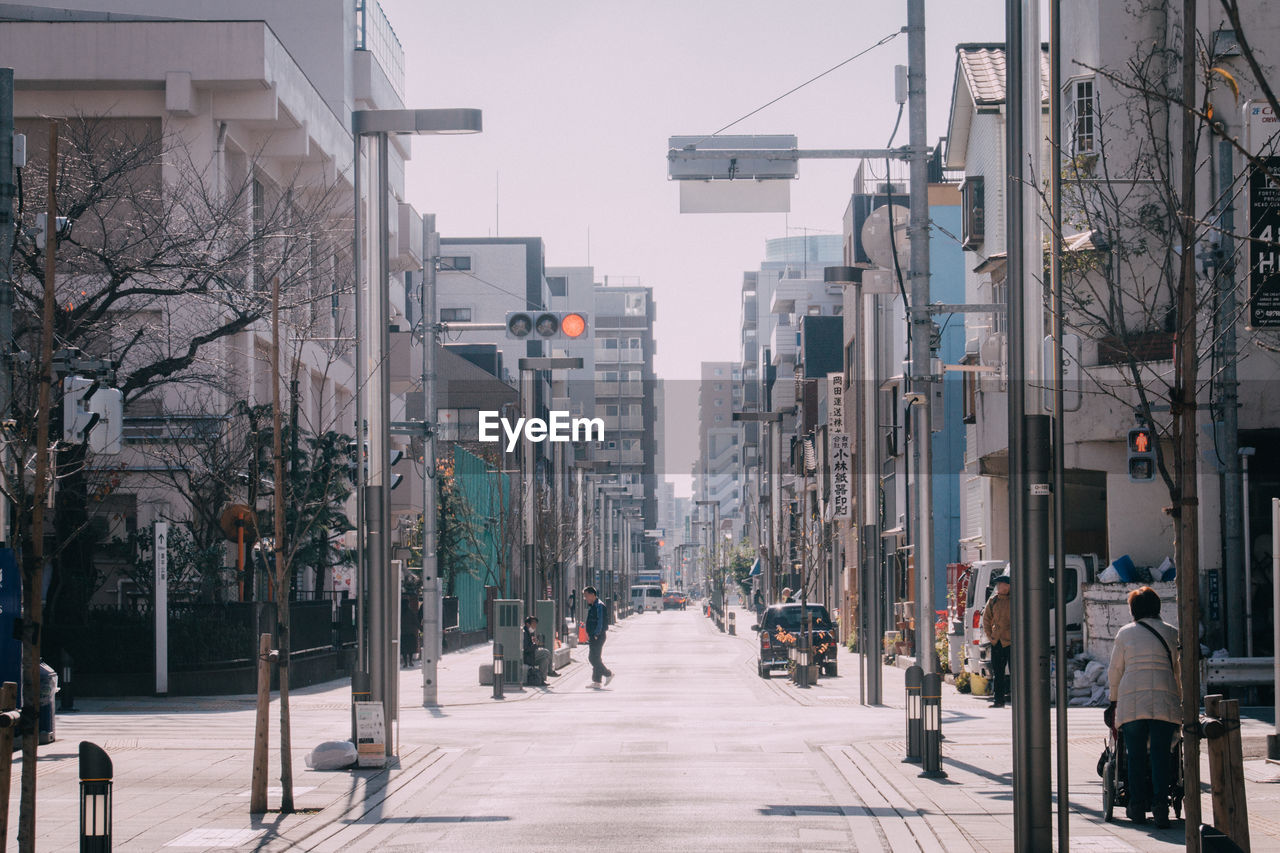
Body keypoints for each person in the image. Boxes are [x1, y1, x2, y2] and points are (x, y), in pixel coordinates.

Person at [1107, 585, 1180, 828]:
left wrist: (1113, 701)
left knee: (1135, 755)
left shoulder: (1125, 633)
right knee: (1161, 754)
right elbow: (1177, 671)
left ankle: (1137, 804)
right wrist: (1178, 698)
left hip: (1132, 701)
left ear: (1133, 610)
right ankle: (1161, 805)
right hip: (1164, 699)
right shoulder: (1172, 633)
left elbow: (1116, 671)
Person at [982, 573, 1012, 708]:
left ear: (1008, 586)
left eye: (1001, 584)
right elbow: (986, 619)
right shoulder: (993, 601)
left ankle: (1016, 698)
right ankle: (998, 700)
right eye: (997, 584)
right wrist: (990, 636)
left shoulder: (1014, 600)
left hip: (1011, 642)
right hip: (997, 642)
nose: (998, 587)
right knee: (998, 673)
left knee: (1015, 672)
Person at [583, 586, 613, 688]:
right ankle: (597, 681)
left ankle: (608, 674)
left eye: (586, 596)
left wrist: (596, 634)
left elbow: (600, 622)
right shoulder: (593, 605)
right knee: (596, 658)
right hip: (594, 635)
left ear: (592, 595)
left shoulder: (599, 606)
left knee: (592, 658)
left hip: (598, 636)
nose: (585, 598)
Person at [522, 616, 558, 685]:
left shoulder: (528, 632)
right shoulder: (524, 633)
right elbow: (526, 649)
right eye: (533, 624)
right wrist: (535, 644)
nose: (535, 626)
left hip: (531, 655)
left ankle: (541, 680)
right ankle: (550, 671)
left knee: (544, 660)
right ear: (527, 624)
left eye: (536, 624)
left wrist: (534, 643)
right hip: (527, 656)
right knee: (546, 652)